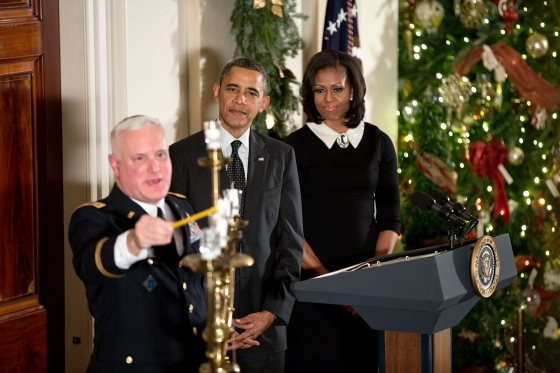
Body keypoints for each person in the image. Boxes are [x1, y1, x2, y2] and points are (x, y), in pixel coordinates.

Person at [169, 58, 304, 373]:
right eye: (233, 89)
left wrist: (270, 313)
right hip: (200, 330)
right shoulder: (183, 155)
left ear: (263, 103)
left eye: (251, 93)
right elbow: (176, 245)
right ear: (217, 92)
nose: (240, 100)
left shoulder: (282, 157)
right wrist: (210, 315)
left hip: (263, 334)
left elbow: (290, 243)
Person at [283, 49, 401, 372]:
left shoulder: (379, 142)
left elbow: (391, 217)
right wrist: (330, 283)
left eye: (337, 88)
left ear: (353, 90)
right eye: (319, 90)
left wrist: (366, 278)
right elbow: (289, 227)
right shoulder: (292, 148)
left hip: (367, 293)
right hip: (313, 289)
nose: (328, 99)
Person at [68, 115, 207, 373]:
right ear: (115, 164)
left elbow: (194, 283)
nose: (155, 168)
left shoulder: (182, 206)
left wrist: (214, 326)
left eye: (160, 155)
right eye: (139, 158)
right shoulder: (94, 217)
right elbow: (91, 262)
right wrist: (133, 242)